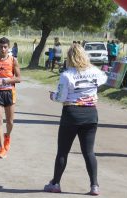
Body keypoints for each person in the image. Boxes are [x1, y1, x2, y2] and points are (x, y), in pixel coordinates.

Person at [44, 44, 107, 195]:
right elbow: (104, 79)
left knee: (63, 151)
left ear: (69, 58)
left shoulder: (67, 74)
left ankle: (56, 183)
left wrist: (52, 95)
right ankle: (94, 185)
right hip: (91, 114)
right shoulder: (94, 71)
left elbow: (61, 97)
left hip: (72, 113)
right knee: (89, 152)